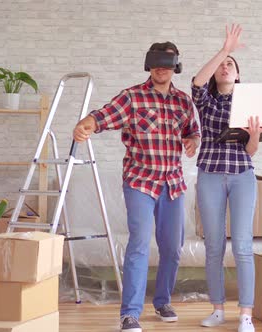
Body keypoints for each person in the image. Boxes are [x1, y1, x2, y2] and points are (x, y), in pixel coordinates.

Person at [73, 41, 200, 332]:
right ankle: (129, 314)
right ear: (148, 64)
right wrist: (86, 123)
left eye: (167, 62)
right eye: (156, 61)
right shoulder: (132, 98)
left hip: (173, 185)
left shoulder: (183, 102)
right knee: (140, 245)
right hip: (140, 182)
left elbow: (193, 131)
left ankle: (162, 301)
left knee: (172, 248)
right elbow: (103, 116)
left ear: (175, 66)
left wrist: (193, 141)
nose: (161, 67)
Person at [191, 24, 262, 332]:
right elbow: (196, 82)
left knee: (243, 247)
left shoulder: (249, 104)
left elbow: (250, 151)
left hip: (242, 176)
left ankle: (246, 315)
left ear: (238, 76)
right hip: (209, 174)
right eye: (222, 65)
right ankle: (218, 309)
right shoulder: (206, 100)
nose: (225, 67)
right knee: (214, 247)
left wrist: (255, 137)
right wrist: (225, 50)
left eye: (230, 65)